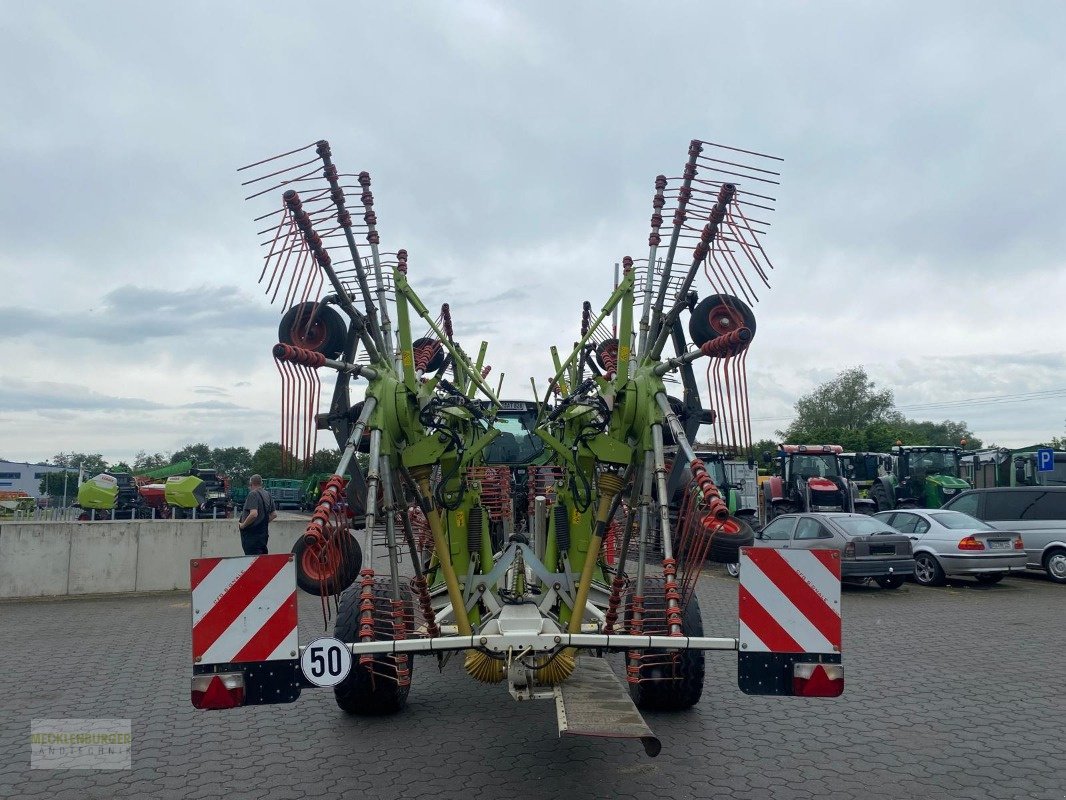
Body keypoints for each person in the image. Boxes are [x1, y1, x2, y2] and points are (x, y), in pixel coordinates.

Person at [238, 475, 277, 555]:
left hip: (252, 536)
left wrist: (243, 525)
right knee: (261, 560)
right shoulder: (268, 494)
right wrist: (262, 522)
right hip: (263, 535)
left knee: (252, 561)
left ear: (251, 483)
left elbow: (254, 514)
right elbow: (274, 514)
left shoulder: (253, 494)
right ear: (261, 483)